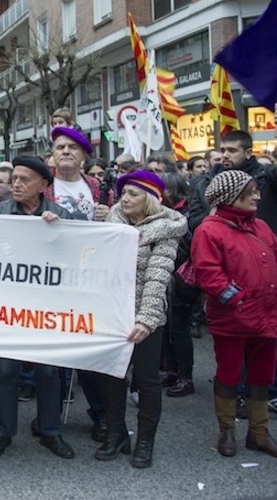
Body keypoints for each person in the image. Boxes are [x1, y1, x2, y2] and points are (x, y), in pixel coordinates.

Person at [191, 171, 277, 460]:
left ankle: (258, 434)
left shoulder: (261, 226)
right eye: (251, 193)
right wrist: (235, 299)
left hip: (269, 313)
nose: (258, 197)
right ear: (230, 196)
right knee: (229, 374)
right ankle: (227, 431)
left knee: (262, 375)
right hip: (232, 317)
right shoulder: (209, 230)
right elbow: (208, 273)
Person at [0, 156, 75, 460]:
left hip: (47, 307)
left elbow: (76, 259)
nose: (17, 185)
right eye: (15, 179)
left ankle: (51, 431)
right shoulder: (0, 211)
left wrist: (59, 233)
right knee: (6, 370)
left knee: (49, 371)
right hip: (9, 306)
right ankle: (2, 432)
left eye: (24, 179)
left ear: (43, 186)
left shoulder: (61, 214)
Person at [98, 170, 186, 468]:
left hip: (146, 317)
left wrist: (146, 320)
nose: (124, 198)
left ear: (149, 200)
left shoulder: (166, 230)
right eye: (123, 193)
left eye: (133, 194)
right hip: (113, 315)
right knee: (112, 377)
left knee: (147, 381)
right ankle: (116, 434)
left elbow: (157, 277)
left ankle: (145, 441)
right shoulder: (112, 222)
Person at [46, 126, 112, 442]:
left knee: (88, 352)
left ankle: (100, 415)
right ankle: (50, 417)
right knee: (55, 355)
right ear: (52, 155)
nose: (66, 151)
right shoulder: (42, 188)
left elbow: (122, 228)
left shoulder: (99, 189)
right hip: (54, 281)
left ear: (84, 155)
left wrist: (110, 217)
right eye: (60, 147)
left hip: (90, 281)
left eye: (73, 146)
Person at [158, 173, 198, 398]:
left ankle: (186, 376)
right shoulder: (167, 214)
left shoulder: (186, 216)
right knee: (167, 328)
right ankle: (171, 370)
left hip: (182, 281)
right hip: (167, 277)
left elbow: (186, 248)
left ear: (169, 192)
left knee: (180, 329)